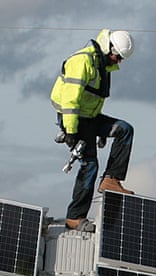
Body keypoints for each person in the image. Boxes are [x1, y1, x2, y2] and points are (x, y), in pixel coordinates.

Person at [50, 29, 136, 231]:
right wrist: (71, 132)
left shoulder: (102, 65)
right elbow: (70, 100)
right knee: (89, 165)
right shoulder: (82, 62)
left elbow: (93, 99)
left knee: (124, 129)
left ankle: (111, 180)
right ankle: (75, 217)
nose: (119, 62)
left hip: (90, 118)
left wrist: (100, 132)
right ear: (109, 49)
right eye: (118, 57)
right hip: (73, 118)